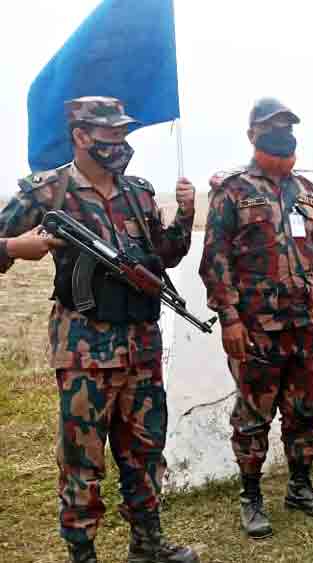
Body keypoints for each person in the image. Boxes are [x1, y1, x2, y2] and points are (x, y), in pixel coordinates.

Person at [0, 96, 198, 563]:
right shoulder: (48, 192)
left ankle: (147, 543)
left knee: (146, 449)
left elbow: (165, 256)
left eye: (122, 134)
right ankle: (82, 552)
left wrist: (185, 215)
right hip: (85, 351)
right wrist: (15, 244)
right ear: (81, 136)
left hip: (142, 350)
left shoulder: (138, 193)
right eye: (109, 134)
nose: (119, 143)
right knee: (82, 459)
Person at [199, 97, 313, 539]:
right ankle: (251, 496)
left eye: (287, 126)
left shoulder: (308, 192)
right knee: (253, 417)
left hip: (306, 327)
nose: (281, 133)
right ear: (251, 134)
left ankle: (300, 487)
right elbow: (216, 260)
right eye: (271, 127)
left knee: (305, 410)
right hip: (256, 331)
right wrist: (228, 317)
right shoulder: (233, 192)